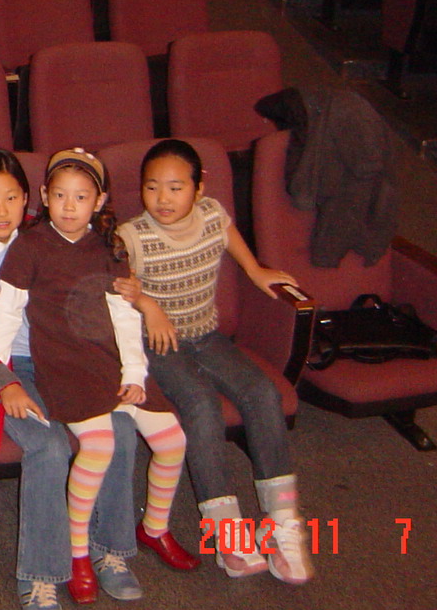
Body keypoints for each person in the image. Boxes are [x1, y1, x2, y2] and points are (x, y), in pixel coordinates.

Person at [0, 149, 146, 610]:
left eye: (12, 198)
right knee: (48, 446)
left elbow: (101, 279)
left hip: (64, 359)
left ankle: (107, 549)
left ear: (29, 199)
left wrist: (139, 300)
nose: (2, 211)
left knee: (123, 431)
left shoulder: (49, 233)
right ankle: (39, 576)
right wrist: (4, 385)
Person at [0, 149, 197, 609]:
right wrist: (0, 377)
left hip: (113, 360)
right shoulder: (30, 246)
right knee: (100, 446)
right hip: (66, 367)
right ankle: (80, 552)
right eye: (60, 195)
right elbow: (6, 316)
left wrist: (135, 372)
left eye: (81, 197)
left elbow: (124, 316)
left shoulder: (109, 245)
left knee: (171, 440)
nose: (69, 206)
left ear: (98, 201)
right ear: (44, 196)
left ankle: (154, 528)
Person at [116, 138, 314, 584]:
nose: (162, 199)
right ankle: (226, 532)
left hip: (206, 335)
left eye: (175, 188)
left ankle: (282, 523)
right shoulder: (132, 236)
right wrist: (148, 304)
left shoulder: (212, 214)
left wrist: (255, 269)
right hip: (159, 345)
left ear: (198, 188)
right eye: (151, 187)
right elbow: (118, 287)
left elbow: (228, 235)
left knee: (262, 393)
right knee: (202, 406)